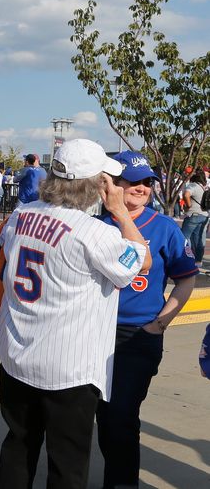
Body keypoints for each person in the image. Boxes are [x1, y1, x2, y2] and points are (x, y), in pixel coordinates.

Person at [0, 139, 151, 488]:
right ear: (97, 184)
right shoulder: (96, 233)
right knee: (67, 464)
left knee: (18, 445)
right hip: (68, 369)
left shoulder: (21, 215)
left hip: (17, 353)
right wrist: (121, 211)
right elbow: (142, 260)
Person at [96, 151, 197, 488]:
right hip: (91, 332)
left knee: (121, 416)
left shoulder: (165, 228)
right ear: (111, 183)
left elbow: (186, 277)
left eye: (147, 182)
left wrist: (160, 323)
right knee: (97, 415)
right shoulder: (94, 225)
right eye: (132, 181)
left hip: (136, 336)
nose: (141, 188)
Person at [180, 170, 207, 266]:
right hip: (204, 215)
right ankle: (198, 261)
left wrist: (189, 205)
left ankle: (187, 258)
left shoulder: (193, 185)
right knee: (199, 239)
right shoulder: (204, 187)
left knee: (185, 237)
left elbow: (186, 195)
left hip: (193, 215)